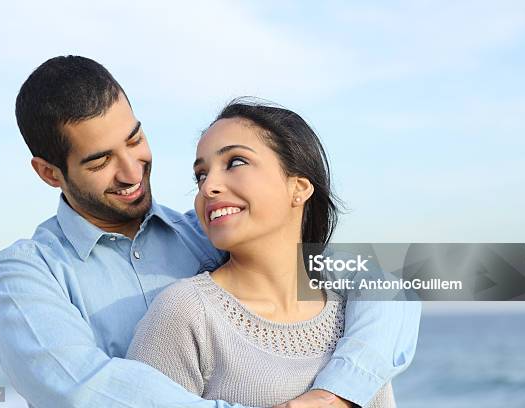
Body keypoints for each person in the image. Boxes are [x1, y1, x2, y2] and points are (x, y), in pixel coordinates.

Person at [0, 55, 421, 408]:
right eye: (100, 162)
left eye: (135, 139)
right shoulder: (26, 273)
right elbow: (81, 389)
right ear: (49, 173)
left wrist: (339, 391)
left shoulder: (210, 232)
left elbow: (387, 287)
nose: (131, 170)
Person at [126, 100, 396, 407]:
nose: (208, 186)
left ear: (299, 187)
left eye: (236, 162)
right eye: (201, 175)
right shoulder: (186, 313)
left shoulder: (356, 319)